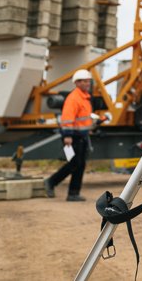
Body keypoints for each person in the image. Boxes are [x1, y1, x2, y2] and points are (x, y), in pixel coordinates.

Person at [45, 69, 101, 202]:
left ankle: (73, 193)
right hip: (72, 138)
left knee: (80, 165)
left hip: (81, 137)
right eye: (85, 81)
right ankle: (51, 182)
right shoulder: (74, 98)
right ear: (77, 83)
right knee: (74, 163)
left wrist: (90, 128)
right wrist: (67, 136)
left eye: (88, 81)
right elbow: (67, 119)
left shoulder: (85, 98)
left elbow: (82, 119)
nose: (88, 83)